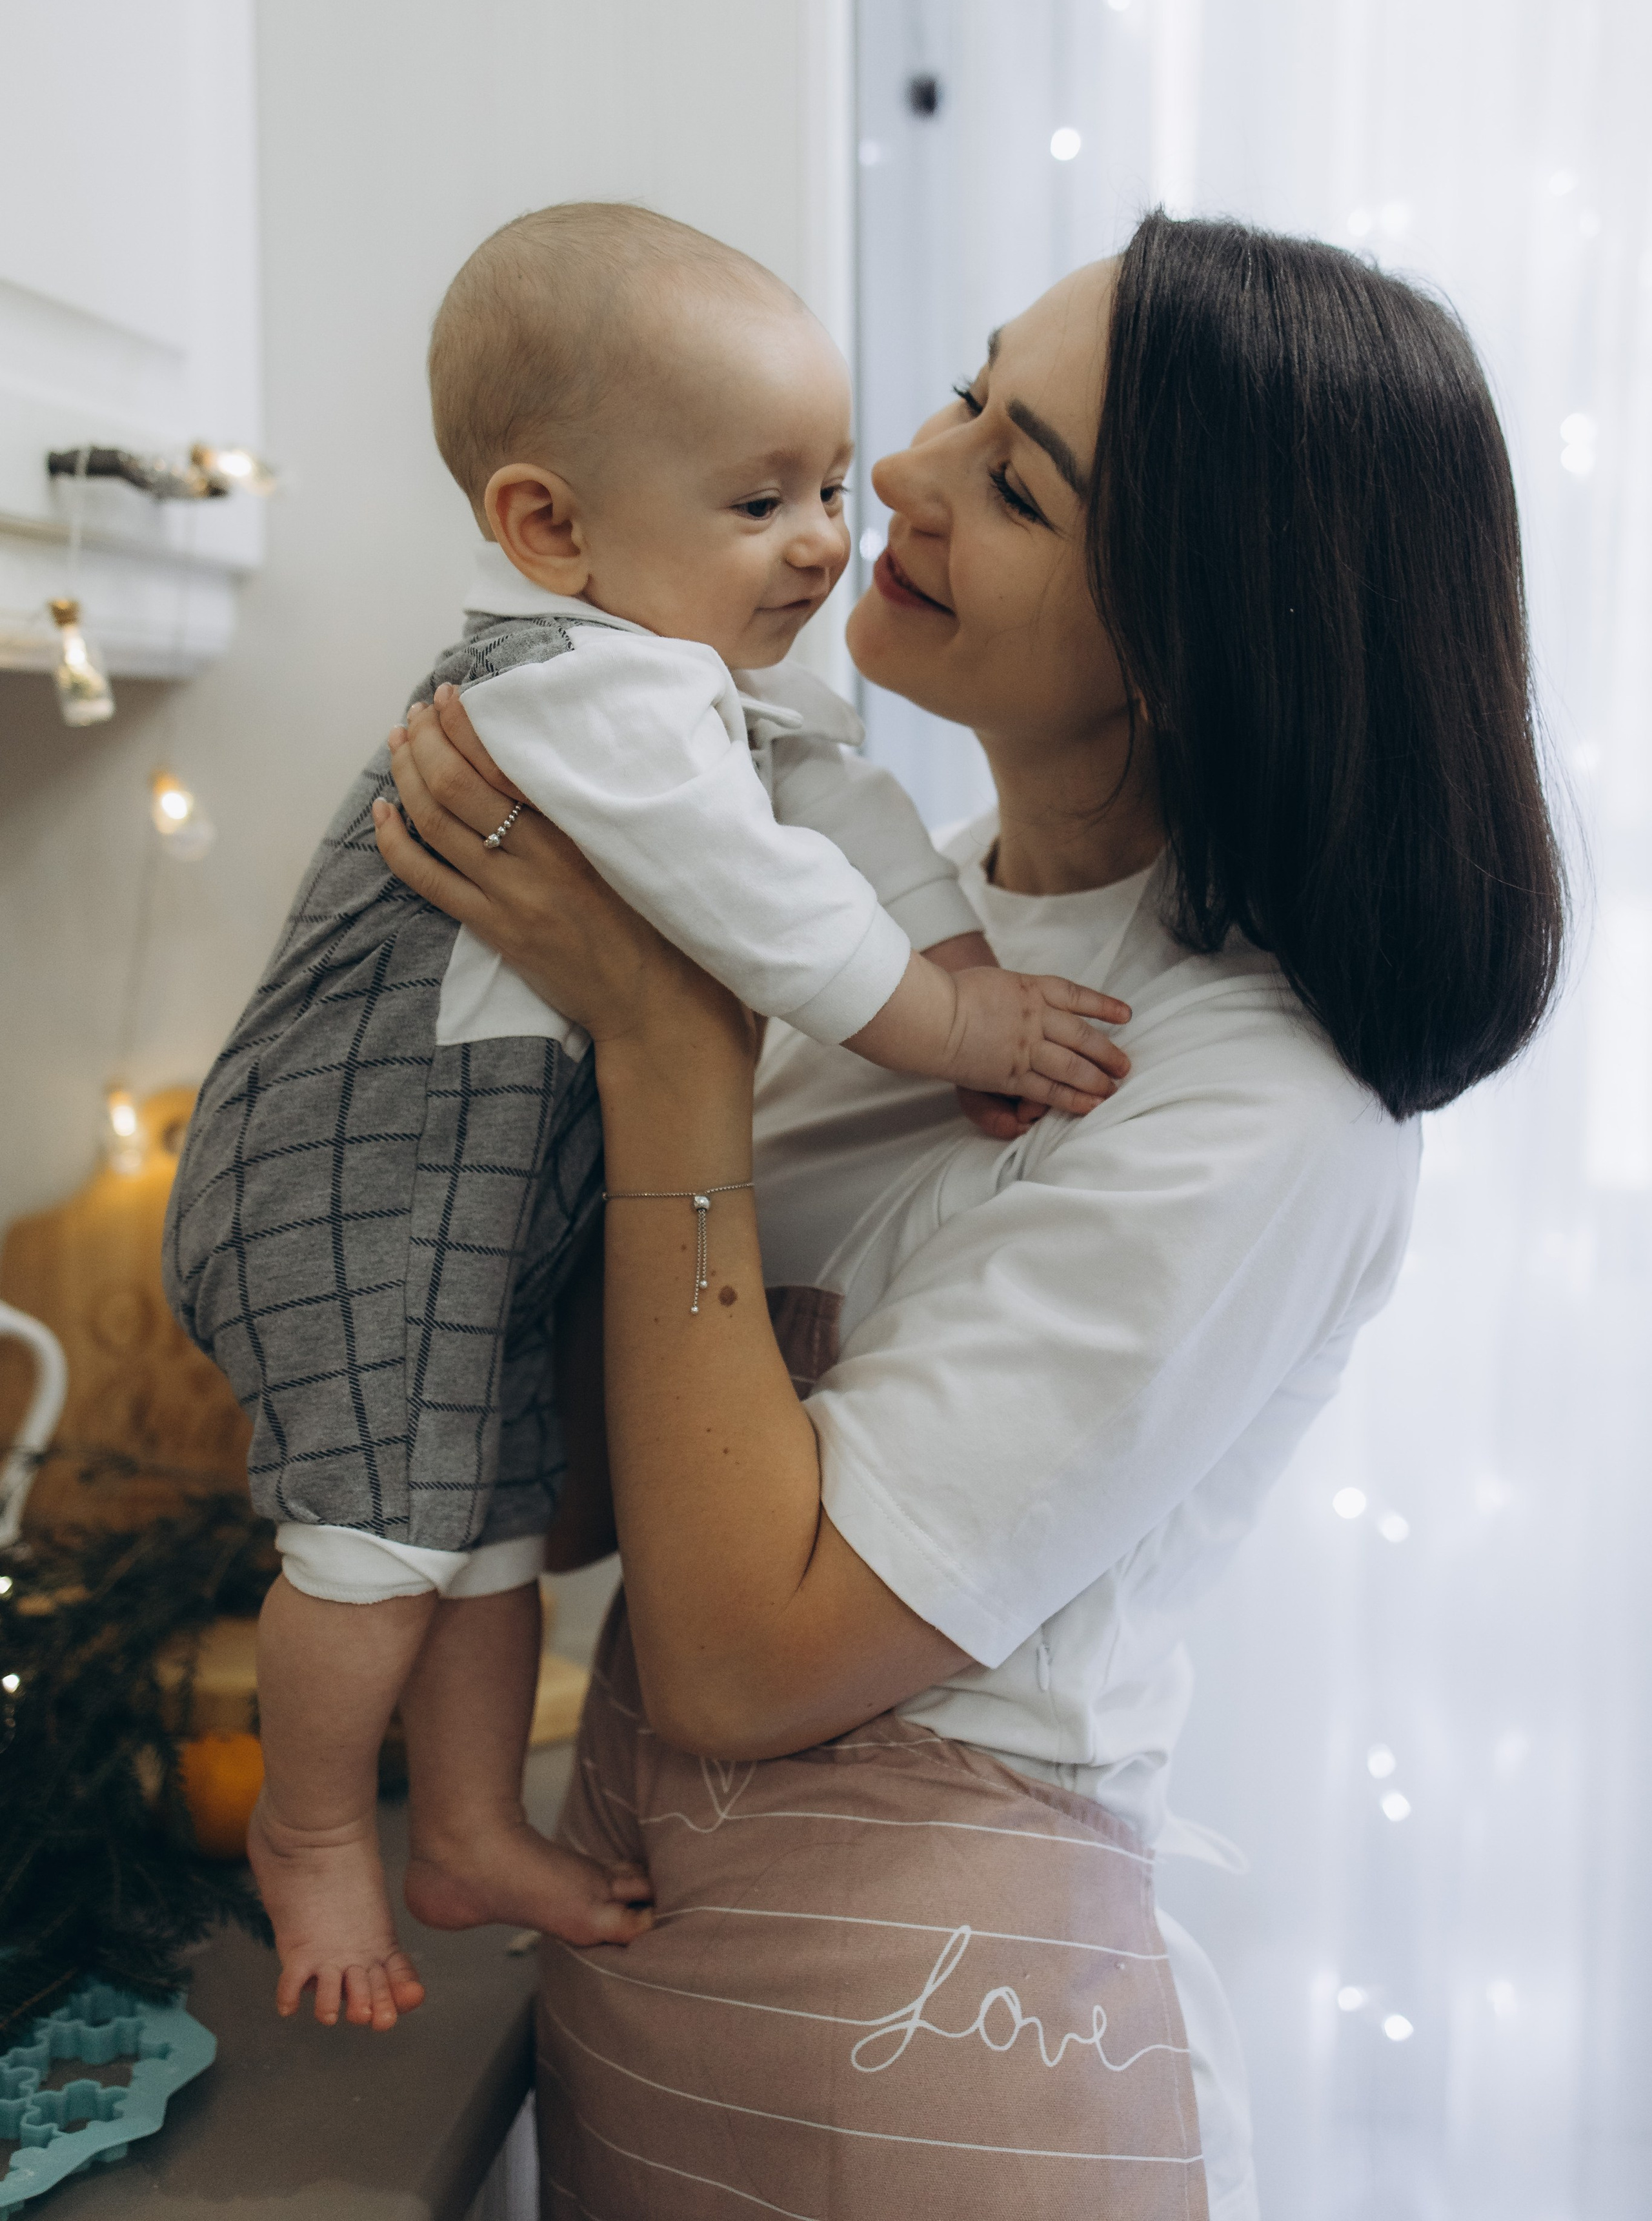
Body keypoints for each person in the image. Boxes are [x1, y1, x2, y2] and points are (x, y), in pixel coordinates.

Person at [376, 210, 1567, 2220]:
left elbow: (748, 1660)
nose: (896, 482)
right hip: (656, 2020)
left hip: (958, 2090)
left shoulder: (1256, 1103)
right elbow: (574, 1501)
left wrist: (667, 1048)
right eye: (966, 388)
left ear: (1199, 646)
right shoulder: (879, 920)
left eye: (1014, 482)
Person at [163, 203, 1127, 2034]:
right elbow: (760, 911)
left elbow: (836, 822)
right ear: (551, 529)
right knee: (377, 1544)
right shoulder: (582, 690)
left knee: (491, 1529)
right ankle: (313, 1833)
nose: (833, 538)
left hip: (486, 1187)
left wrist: (960, 985)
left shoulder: (707, 697)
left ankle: (462, 1825)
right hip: (351, 1185)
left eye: (831, 483)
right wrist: (957, 1019)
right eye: (764, 502)